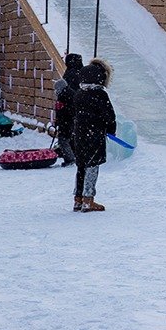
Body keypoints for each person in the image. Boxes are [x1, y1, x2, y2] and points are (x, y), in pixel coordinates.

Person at [73, 59, 116, 212]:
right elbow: (109, 116)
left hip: (79, 134)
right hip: (94, 134)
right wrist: (111, 129)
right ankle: (88, 199)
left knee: (81, 166)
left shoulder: (79, 93)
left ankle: (78, 199)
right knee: (92, 166)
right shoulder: (99, 94)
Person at [52, 53, 83, 166]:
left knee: (64, 138)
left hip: (68, 117)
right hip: (76, 113)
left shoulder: (70, 75)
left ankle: (70, 157)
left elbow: (63, 109)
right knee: (72, 136)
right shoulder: (82, 72)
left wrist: (59, 119)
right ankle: (74, 154)